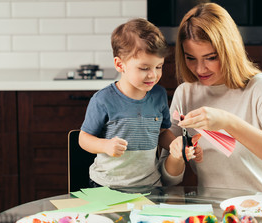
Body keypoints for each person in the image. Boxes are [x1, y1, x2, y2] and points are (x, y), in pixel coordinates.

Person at [160, 3, 262, 196]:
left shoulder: (260, 87)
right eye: (191, 58)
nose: (200, 69)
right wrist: (177, 155)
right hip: (211, 216)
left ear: (229, 50)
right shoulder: (185, 94)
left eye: (211, 57)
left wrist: (228, 122)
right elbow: (167, 179)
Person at [79, 18, 198, 188]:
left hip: (150, 185)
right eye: (144, 68)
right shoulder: (102, 100)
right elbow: (84, 139)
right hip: (107, 186)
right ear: (120, 64)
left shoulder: (159, 95)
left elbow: (162, 132)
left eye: (159, 67)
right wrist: (105, 145)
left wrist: (174, 144)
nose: (153, 75)